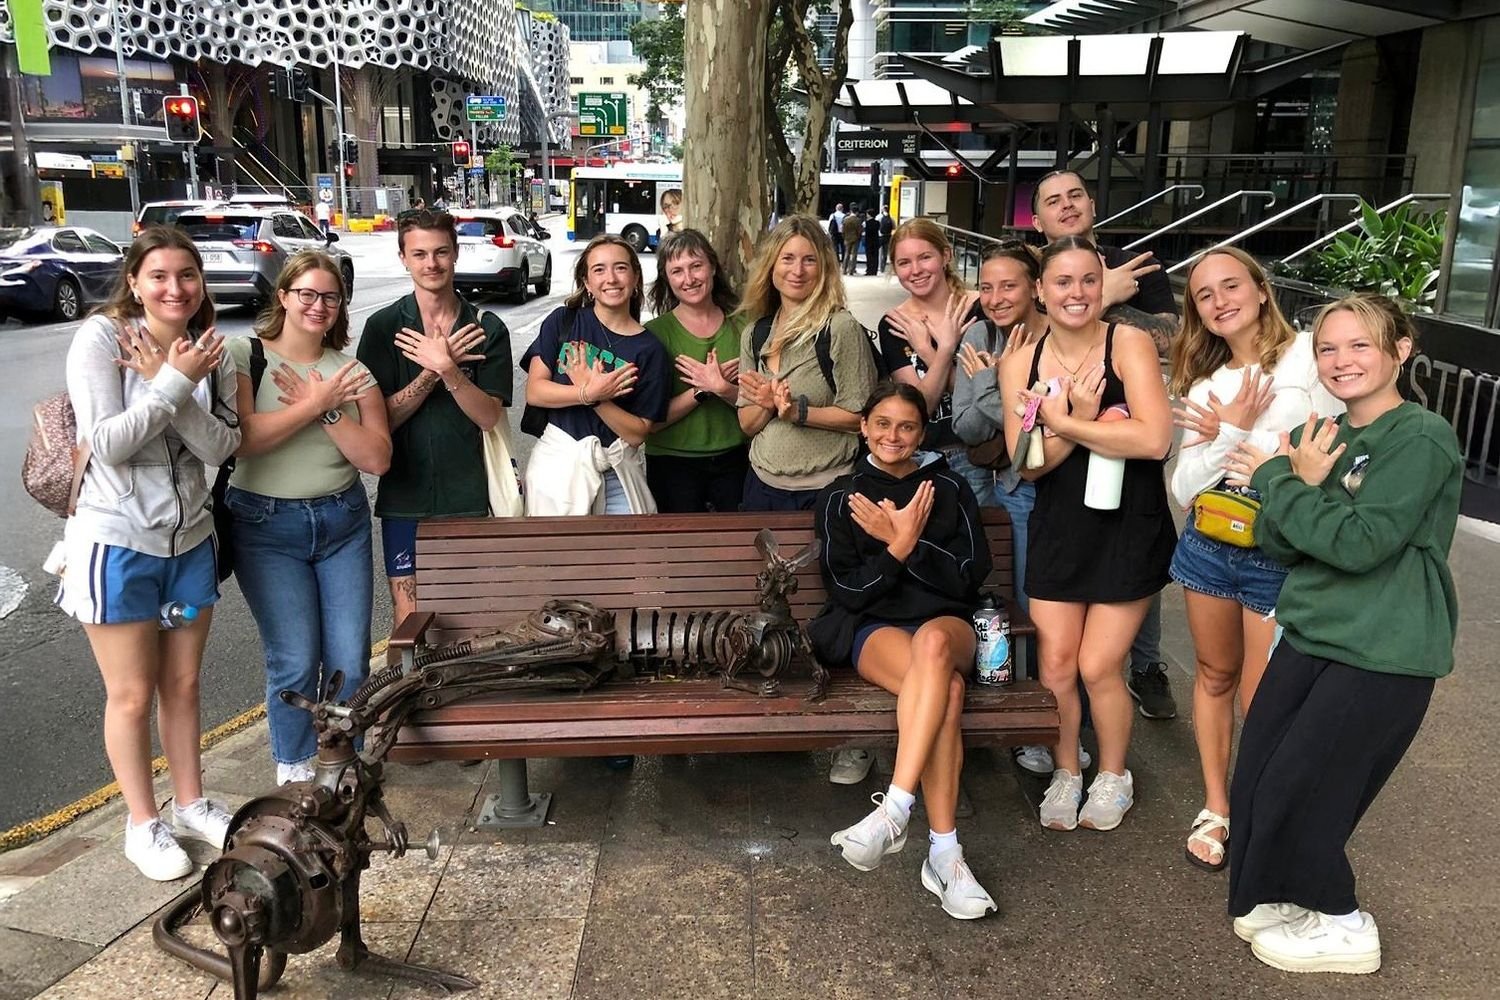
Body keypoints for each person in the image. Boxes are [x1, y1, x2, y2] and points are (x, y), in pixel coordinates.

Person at [1221, 294, 1461, 974]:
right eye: (1328, 348)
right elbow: (1280, 540)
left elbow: (1361, 544)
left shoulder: (1419, 437)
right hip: (1313, 630)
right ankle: (1279, 892)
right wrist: (1301, 493)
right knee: (1264, 774)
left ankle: (1341, 920)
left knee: (1310, 785)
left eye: (1360, 345)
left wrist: (1278, 477)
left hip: (1382, 646)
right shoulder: (1327, 434)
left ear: (1400, 350)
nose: (1342, 360)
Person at [57, 226, 240, 880]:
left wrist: (174, 377)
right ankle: (143, 823)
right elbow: (107, 443)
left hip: (190, 538)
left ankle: (191, 802)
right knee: (132, 694)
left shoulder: (210, 350)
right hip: (118, 540)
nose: (174, 288)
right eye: (158, 276)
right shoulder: (102, 339)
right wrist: (170, 386)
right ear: (134, 280)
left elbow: (221, 447)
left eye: (187, 276)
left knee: (185, 685)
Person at [1165, 248, 1343, 871]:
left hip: (1280, 545)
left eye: (1231, 285)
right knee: (1213, 676)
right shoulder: (1204, 383)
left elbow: (1330, 452)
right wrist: (1235, 433)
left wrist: (1237, 439)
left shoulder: (1310, 358)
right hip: (1210, 545)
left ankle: (1262, 805)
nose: (1219, 301)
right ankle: (1218, 805)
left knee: (1264, 695)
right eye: (1204, 294)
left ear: (1261, 289)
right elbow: (1186, 487)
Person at [998, 235, 1176, 833]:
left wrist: (1062, 422)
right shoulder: (1020, 362)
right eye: (1063, 282)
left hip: (1128, 524)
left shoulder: (1128, 342)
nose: (1077, 293)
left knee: (1099, 665)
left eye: (1089, 280)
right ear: (1041, 292)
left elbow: (1154, 440)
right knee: (1054, 666)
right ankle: (1068, 768)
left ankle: (1114, 773)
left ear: (1104, 287)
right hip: (1060, 525)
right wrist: (1073, 426)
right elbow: (1025, 461)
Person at [811, 382, 997, 920]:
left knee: (937, 646)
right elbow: (846, 592)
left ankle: (893, 810)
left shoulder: (951, 488)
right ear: (864, 427)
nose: (894, 435)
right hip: (875, 630)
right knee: (949, 691)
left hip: (945, 623)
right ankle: (944, 853)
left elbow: (968, 577)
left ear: (921, 434)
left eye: (908, 426)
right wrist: (897, 546)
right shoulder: (841, 496)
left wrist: (910, 541)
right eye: (883, 424)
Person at [227, 252, 392, 786]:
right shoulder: (245, 355)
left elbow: (376, 458)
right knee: (295, 659)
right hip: (265, 524)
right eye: (308, 294)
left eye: (331, 297)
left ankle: (344, 765)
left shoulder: (352, 371)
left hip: (341, 519)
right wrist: (313, 403)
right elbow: (246, 439)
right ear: (283, 296)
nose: (319, 306)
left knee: (350, 657)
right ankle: (297, 767)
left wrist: (326, 408)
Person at [1030, 169, 1181, 724]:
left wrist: (1108, 297)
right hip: (1059, 498)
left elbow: (1171, 335)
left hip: (1128, 497)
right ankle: (1070, 752)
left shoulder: (1136, 265)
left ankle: (1148, 668)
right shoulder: (1034, 276)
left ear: (1092, 205)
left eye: (1075, 196)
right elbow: (1026, 454)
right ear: (1038, 219)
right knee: (1064, 658)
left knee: (1109, 644)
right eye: (1053, 200)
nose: (1066, 207)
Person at [356, 209, 511, 630]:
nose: (432, 264)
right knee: (410, 621)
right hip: (405, 499)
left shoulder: (485, 327)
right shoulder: (383, 326)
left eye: (441, 252)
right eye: (420, 254)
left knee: (473, 618)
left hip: (471, 498)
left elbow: (488, 417)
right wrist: (429, 373)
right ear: (403, 258)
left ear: (456, 253)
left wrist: (450, 370)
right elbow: (376, 421)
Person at [521, 233, 671, 514]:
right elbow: (536, 392)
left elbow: (638, 433)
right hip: (557, 469)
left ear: (636, 278)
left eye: (621, 267)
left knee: (624, 555)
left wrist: (598, 398)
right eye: (599, 270)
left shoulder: (650, 350)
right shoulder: (564, 321)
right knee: (556, 557)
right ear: (587, 283)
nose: (611, 278)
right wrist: (585, 392)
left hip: (616, 474)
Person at [736, 215, 877, 511]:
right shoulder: (755, 333)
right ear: (771, 265)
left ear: (823, 267)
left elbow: (860, 418)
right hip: (761, 488)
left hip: (826, 492)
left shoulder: (840, 328)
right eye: (787, 258)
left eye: (809, 260)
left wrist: (797, 412)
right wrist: (768, 404)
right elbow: (747, 425)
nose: (797, 271)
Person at [643, 229, 748, 513]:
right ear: (667, 278)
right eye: (677, 271)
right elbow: (647, 422)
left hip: (737, 458)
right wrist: (702, 390)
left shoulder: (746, 327)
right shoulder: (652, 335)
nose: (688, 279)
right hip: (672, 463)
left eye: (696, 266)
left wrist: (725, 389)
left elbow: (762, 408)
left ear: (713, 267)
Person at [841, 208, 863, 276]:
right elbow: (860, 230)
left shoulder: (845, 219)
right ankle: (851, 270)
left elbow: (843, 230)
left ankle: (844, 269)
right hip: (855, 239)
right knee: (854, 255)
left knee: (846, 254)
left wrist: (844, 237)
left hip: (847, 238)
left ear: (850, 211)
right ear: (856, 212)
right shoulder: (858, 220)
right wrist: (859, 237)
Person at [862, 209, 881, 276]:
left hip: (868, 241)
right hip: (875, 241)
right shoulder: (877, 223)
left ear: (869, 214)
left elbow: (863, 231)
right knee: (875, 256)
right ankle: (874, 270)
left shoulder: (865, 223)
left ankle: (869, 270)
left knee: (869, 256)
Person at [877, 207, 894, 274]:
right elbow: (894, 227)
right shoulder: (891, 218)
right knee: (885, 253)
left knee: (876, 252)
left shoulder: (879, 217)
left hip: (880, 236)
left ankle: (877, 266)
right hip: (888, 237)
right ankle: (882, 268)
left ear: (883, 210)